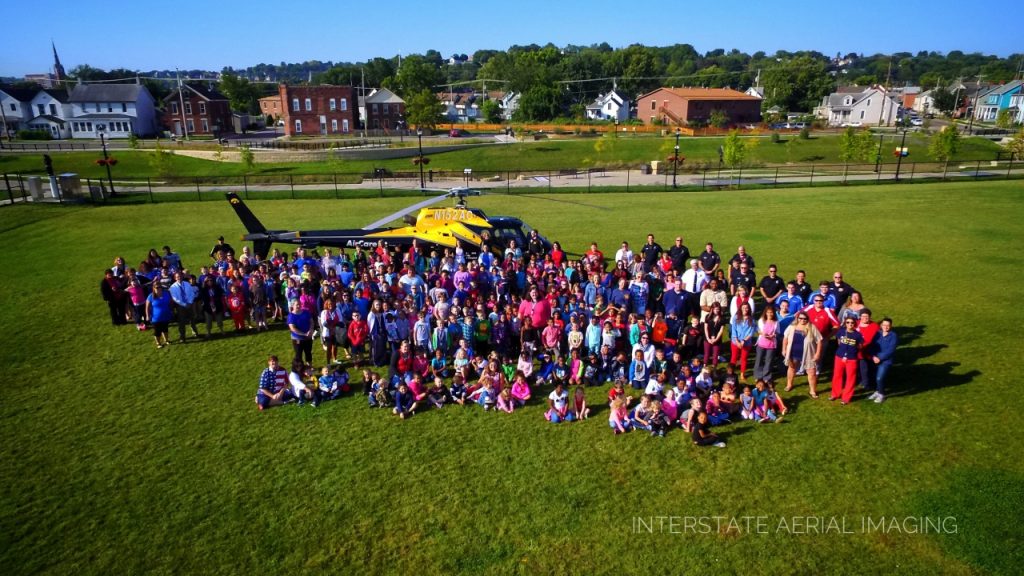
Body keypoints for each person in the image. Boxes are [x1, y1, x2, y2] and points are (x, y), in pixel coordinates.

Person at [782, 311, 824, 397]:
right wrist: (784, 349)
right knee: (791, 368)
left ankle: (812, 391)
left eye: (805, 319)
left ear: (807, 319)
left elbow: (819, 340)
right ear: (797, 318)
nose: (802, 320)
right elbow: (785, 338)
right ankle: (789, 385)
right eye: (800, 318)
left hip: (808, 353)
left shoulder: (812, 327)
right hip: (793, 352)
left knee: (811, 372)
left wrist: (817, 353)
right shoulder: (792, 326)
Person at [831, 318, 864, 405]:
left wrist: (852, 350)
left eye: (852, 322)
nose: (850, 324)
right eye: (848, 322)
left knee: (850, 378)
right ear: (845, 323)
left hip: (852, 358)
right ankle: (835, 394)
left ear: (855, 324)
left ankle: (846, 397)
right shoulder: (841, 331)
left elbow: (860, 346)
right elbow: (839, 342)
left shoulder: (858, 335)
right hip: (839, 356)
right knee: (837, 375)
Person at [870, 317, 897, 404]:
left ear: (891, 326)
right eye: (884, 325)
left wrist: (880, 358)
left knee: (879, 378)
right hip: (875, 359)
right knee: (875, 377)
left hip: (885, 361)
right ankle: (877, 391)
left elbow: (891, 350)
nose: (886, 327)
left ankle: (881, 394)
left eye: (888, 325)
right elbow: (872, 346)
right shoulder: (877, 333)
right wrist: (873, 356)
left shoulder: (893, 336)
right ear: (881, 325)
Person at [169, 272, 199, 342]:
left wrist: (190, 302)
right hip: (180, 306)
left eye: (180, 276)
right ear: (175, 278)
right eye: (177, 277)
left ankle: (195, 332)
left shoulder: (187, 284)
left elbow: (192, 293)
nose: (179, 278)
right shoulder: (172, 287)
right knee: (181, 322)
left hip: (189, 304)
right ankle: (182, 336)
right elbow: (175, 298)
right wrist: (184, 304)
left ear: (182, 277)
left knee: (192, 320)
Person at [729, 303, 756, 381]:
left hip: (746, 343)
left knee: (744, 358)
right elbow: (733, 330)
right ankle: (731, 372)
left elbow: (751, 332)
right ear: (740, 308)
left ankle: (742, 374)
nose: (745, 309)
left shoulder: (751, 319)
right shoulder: (736, 317)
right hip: (735, 341)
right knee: (734, 357)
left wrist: (744, 340)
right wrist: (737, 341)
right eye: (743, 308)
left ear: (749, 309)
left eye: (747, 308)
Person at [753, 306, 779, 382]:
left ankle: (766, 377)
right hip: (761, 343)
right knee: (759, 359)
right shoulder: (761, 320)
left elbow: (777, 332)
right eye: (768, 312)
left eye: (771, 312)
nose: (769, 314)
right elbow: (757, 330)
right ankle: (758, 375)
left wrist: (773, 335)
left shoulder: (776, 322)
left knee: (768, 361)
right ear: (765, 313)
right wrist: (762, 333)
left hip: (771, 344)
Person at [146, 283, 173, 348]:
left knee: (165, 329)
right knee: (157, 331)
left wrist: (171, 311)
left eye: (160, 287)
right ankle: (158, 343)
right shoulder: (151, 296)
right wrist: (147, 316)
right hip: (156, 318)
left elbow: (170, 302)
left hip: (166, 316)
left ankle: (166, 340)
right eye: (157, 287)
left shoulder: (166, 294)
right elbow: (147, 307)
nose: (159, 288)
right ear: (154, 288)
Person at [288, 301, 314, 365]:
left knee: (308, 353)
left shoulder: (306, 312)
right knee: (298, 355)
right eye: (296, 305)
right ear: (293, 306)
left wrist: (311, 330)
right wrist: (304, 334)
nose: (298, 306)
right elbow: (292, 328)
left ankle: (309, 367)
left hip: (308, 337)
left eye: (299, 304)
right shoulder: (291, 316)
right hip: (297, 339)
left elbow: (311, 321)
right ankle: (300, 368)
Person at [703, 302, 726, 370]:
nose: (717, 310)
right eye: (715, 309)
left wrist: (716, 339)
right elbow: (705, 328)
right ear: (712, 309)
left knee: (715, 354)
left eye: (718, 309)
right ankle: (704, 366)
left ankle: (714, 368)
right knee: (707, 353)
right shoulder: (708, 317)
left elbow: (721, 330)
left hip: (717, 339)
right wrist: (708, 338)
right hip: (707, 338)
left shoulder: (722, 318)